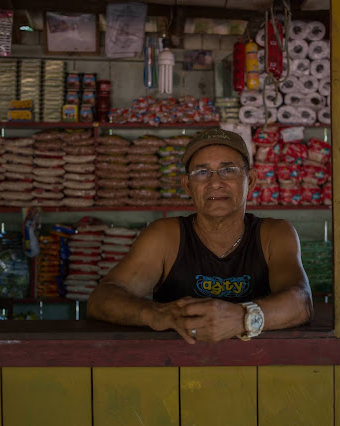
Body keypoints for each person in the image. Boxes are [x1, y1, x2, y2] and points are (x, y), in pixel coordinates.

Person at [87, 128, 313, 343]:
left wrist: (241, 318)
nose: (215, 183)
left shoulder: (274, 234)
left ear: (250, 180)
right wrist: (155, 314)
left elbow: (301, 302)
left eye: (228, 170)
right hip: (176, 369)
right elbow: (101, 299)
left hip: (259, 368)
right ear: (187, 185)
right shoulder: (165, 236)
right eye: (202, 172)